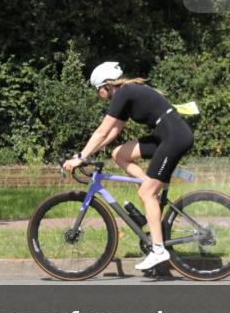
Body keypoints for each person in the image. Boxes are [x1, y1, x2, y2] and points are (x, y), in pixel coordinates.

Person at [62, 61, 194, 271]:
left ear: (107, 86)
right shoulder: (125, 95)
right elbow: (113, 134)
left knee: (146, 194)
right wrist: (87, 155)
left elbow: (101, 132)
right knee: (119, 154)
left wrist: (80, 156)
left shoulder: (124, 93)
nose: (99, 96)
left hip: (173, 137)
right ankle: (150, 188)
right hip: (166, 136)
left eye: (98, 91)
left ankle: (158, 249)